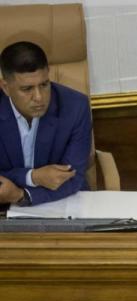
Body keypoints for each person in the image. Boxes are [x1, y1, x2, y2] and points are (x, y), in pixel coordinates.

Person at [0, 41, 92, 207]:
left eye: (44, 85)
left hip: (62, 201)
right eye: (27, 89)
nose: (39, 97)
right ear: (5, 87)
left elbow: (73, 177)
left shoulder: (75, 107)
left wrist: (21, 195)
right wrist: (33, 177)